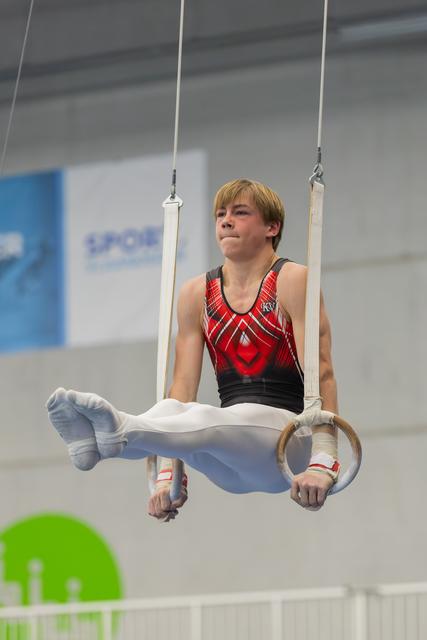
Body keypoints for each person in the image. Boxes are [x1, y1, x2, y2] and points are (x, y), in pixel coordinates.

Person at [47, 178, 339, 521]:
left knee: (203, 417)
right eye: (220, 214)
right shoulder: (196, 293)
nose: (226, 221)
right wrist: (167, 478)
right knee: (173, 407)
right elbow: (182, 387)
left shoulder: (292, 279)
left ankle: (118, 433)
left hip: (290, 442)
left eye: (240, 213)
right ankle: (95, 446)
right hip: (229, 461)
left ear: (272, 227)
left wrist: (324, 458)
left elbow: (321, 370)